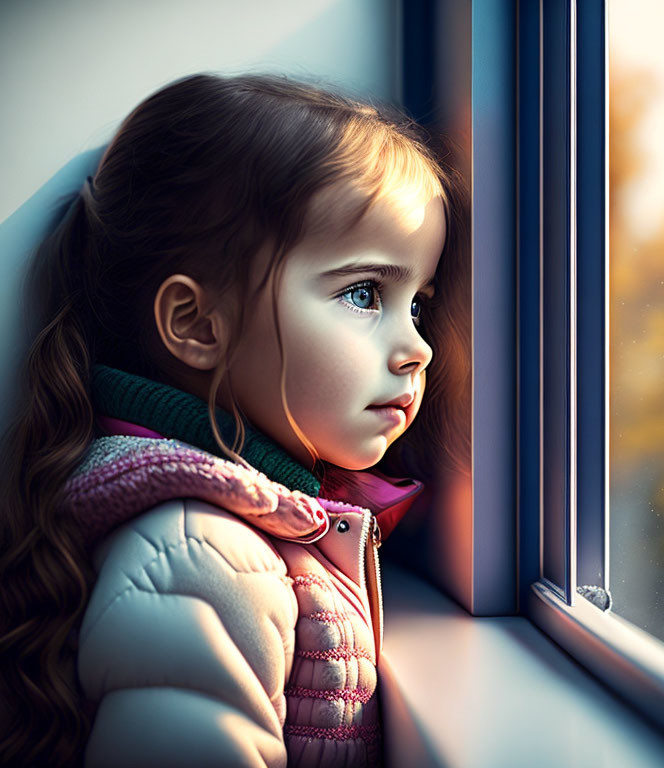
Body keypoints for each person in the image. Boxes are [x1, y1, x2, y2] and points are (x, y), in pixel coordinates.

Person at [0, 72, 470, 768]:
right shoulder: (201, 560)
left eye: (418, 303)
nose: (418, 348)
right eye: (365, 292)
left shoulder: (242, 532)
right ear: (198, 324)